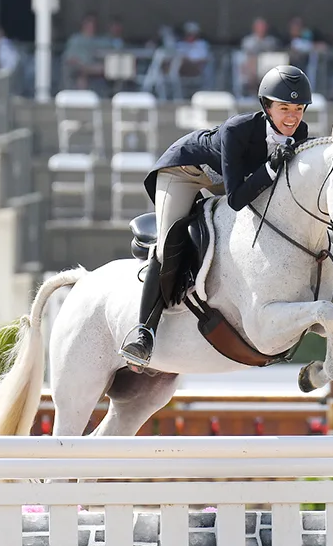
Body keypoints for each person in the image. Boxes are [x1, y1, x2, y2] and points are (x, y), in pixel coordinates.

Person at [118, 65, 314, 370]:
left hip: (226, 177)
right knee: (167, 243)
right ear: (267, 106)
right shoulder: (238, 130)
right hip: (185, 172)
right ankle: (143, 332)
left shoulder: (299, 134)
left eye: (299, 109)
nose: (292, 117)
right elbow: (236, 198)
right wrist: (271, 168)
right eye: (284, 108)